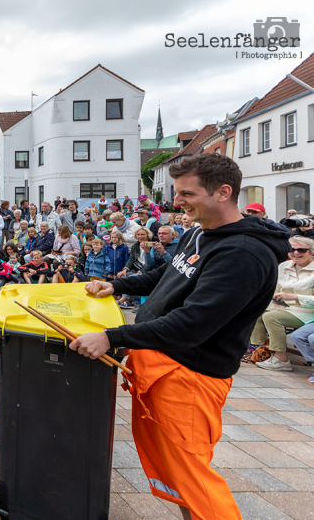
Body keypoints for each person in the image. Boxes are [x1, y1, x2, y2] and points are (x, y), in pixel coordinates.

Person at [70, 153, 290, 520]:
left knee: (193, 477)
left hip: (190, 377)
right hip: (161, 366)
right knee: (176, 474)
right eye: (176, 192)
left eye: (186, 193)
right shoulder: (200, 232)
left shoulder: (243, 254)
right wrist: (118, 283)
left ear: (223, 192)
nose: (176, 202)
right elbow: (166, 276)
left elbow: (192, 325)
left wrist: (112, 336)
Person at [251, 236, 314, 371]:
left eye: (301, 250)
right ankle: (259, 350)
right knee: (255, 309)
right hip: (283, 306)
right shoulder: (284, 266)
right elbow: (275, 287)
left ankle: (281, 359)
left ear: (311, 251)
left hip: (307, 312)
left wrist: (295, 297)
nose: (296, 253)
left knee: (272, 317)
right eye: (292, 249)